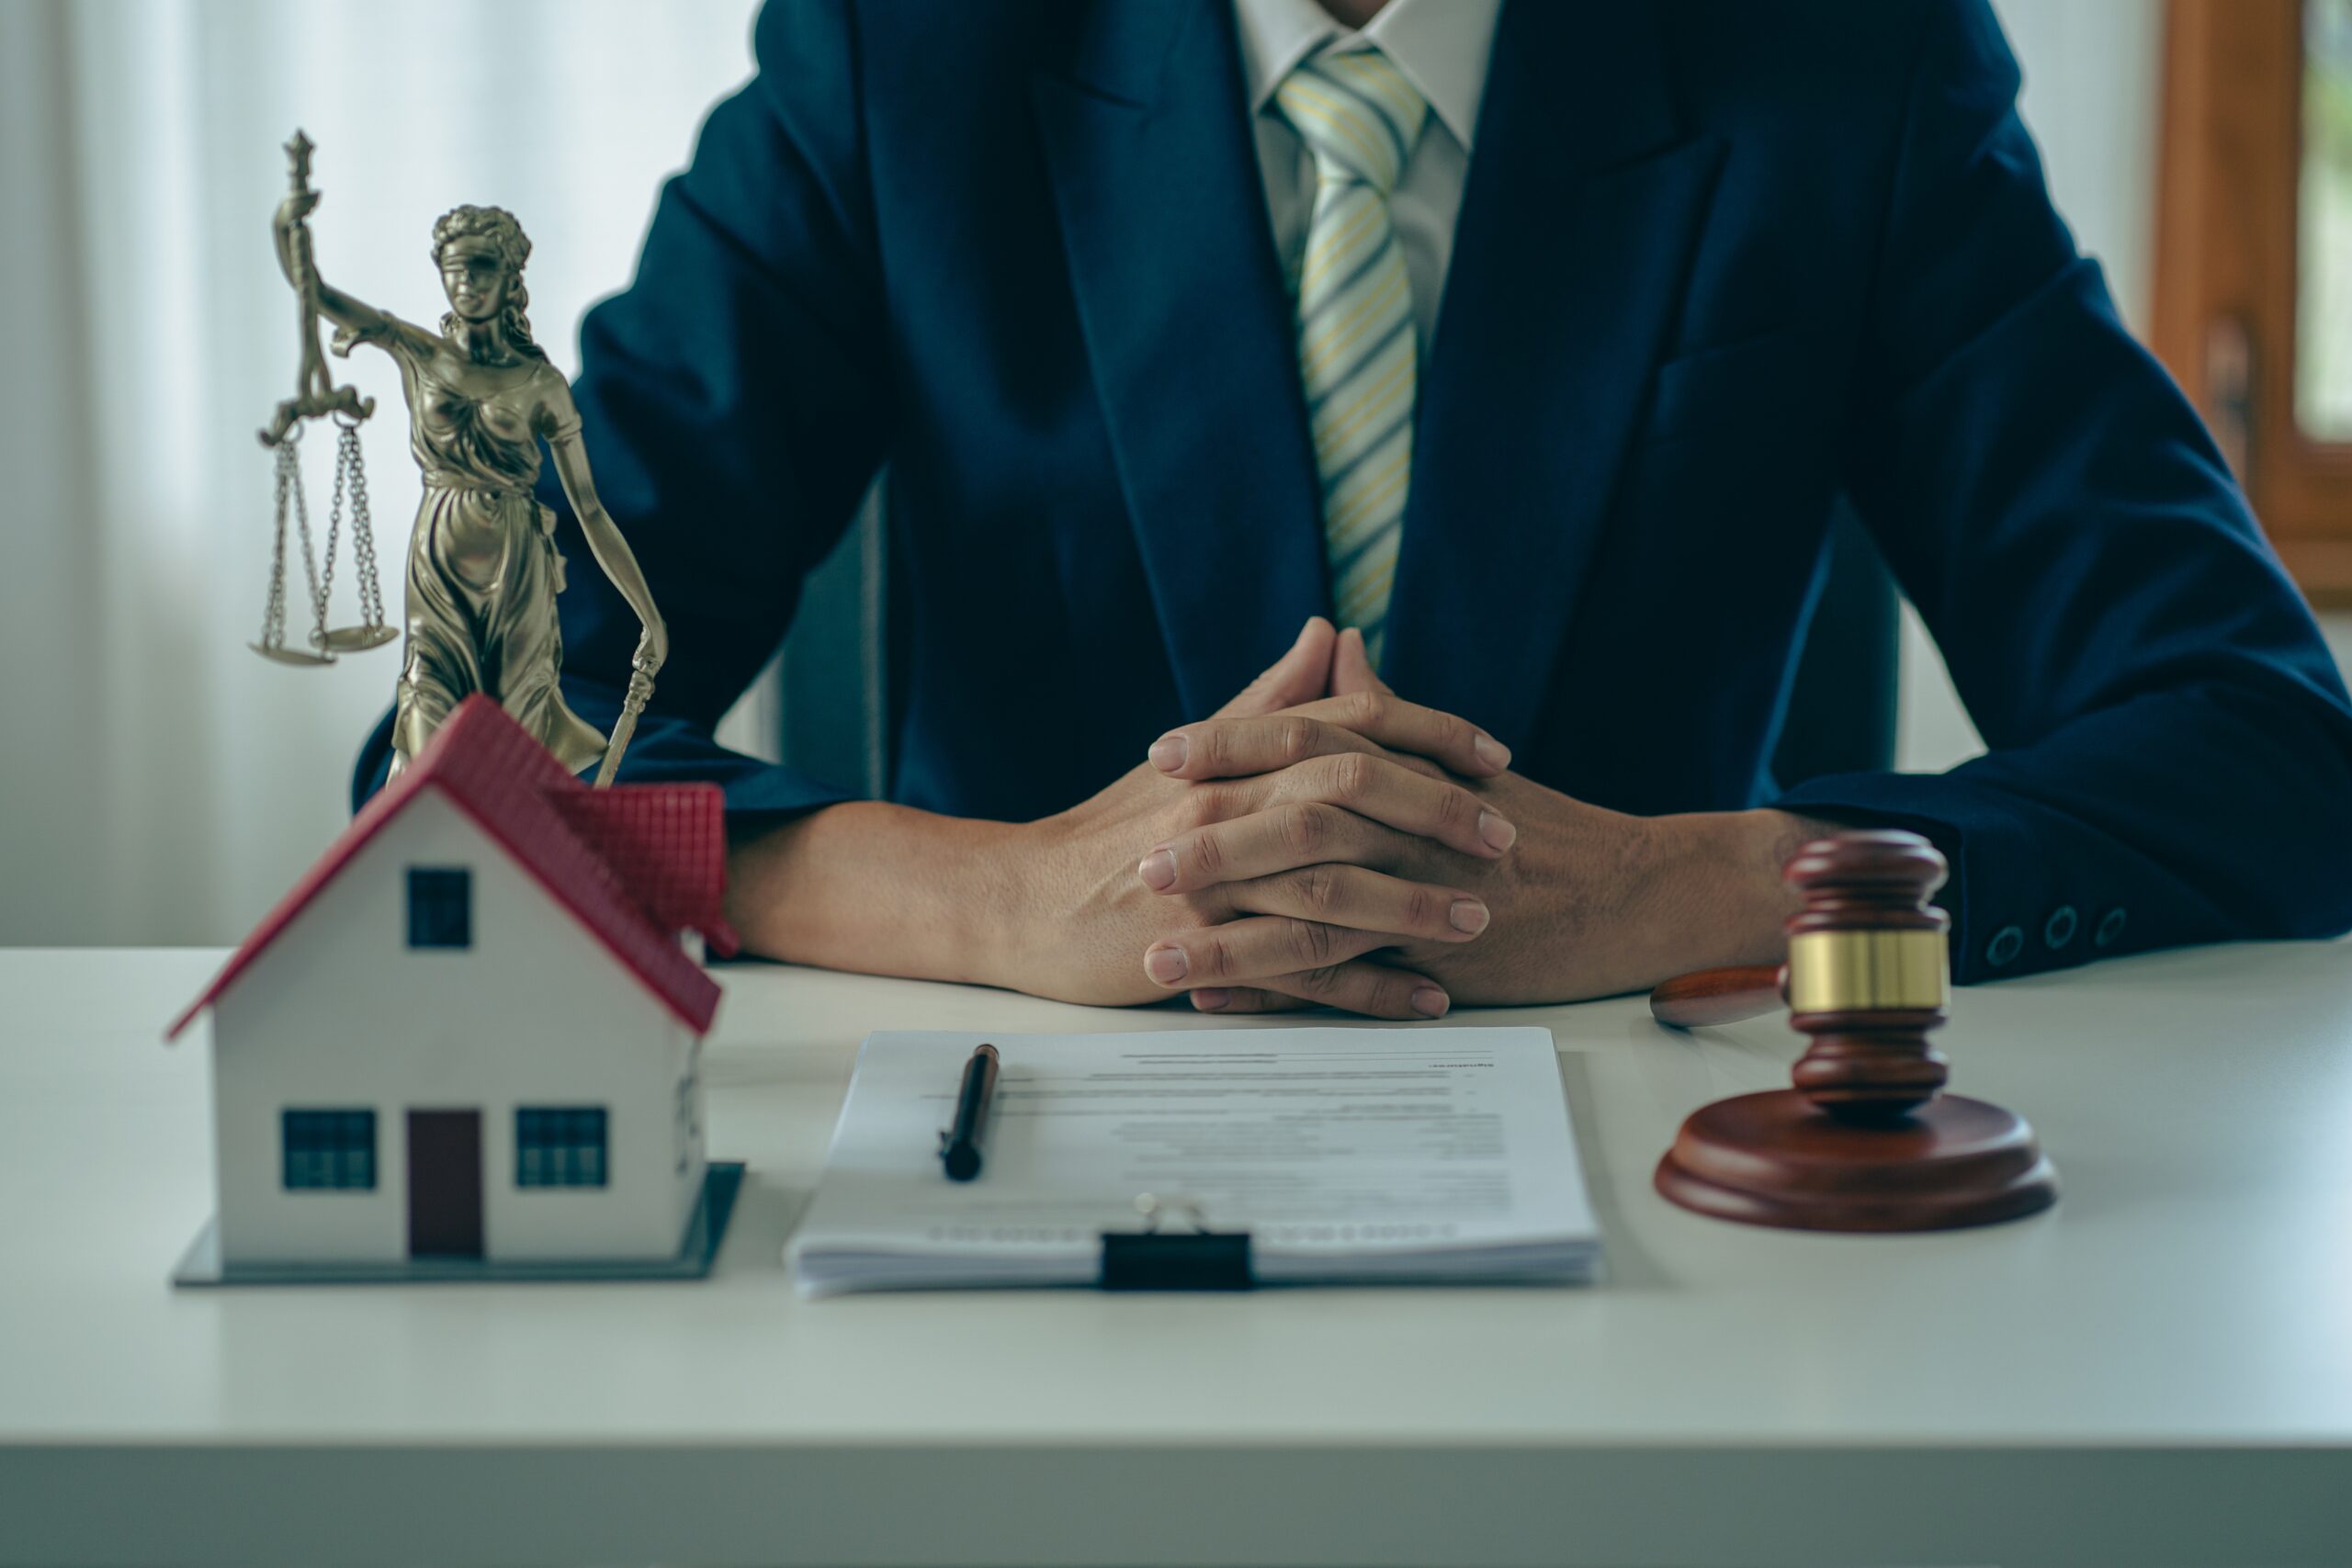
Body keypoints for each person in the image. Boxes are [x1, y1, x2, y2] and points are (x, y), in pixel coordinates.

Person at [357, 0, 2352, 1018]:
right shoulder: (910, 44)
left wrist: (1687, 892)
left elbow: (2264, 751)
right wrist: (992, 895)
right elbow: (455, 742)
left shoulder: (1836, 51)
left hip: (1680, 1265)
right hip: (996, 1230)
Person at [284, 197, 669, 778]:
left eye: (483, 267)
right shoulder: (420, 355)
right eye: (455, 267)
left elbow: (589, 508)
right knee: (427, 707)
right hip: (438, 555)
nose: (466, 282)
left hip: (515, 564)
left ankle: (525, 849)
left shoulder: (540, 384)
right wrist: (288, 225)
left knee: (518, 729)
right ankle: (414, 836)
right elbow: (314, 291)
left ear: (510, 276)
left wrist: (648, 614)